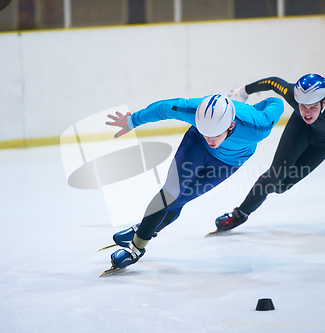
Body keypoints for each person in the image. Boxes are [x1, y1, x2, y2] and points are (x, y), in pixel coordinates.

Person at [104, 94, 284, 271]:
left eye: (215, 134)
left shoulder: (258, 125)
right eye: (206, 132)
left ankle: (144, 228)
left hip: (228, 162)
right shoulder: (194, 110)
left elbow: (275, 102)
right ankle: (136, 248)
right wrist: (132, 121)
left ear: (231, 125)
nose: (210, 140)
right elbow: (162, 108)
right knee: (170, 193)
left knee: (179, 201)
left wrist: (251, 106)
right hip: (196, 145)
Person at [214, 74, 325, 231]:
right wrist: (244, 91)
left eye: (312, 107)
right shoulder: (294, 96)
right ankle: (239, 215)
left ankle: (266, 190)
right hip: (300, 129)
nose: (307, 112)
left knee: (281, 187)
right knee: (275, 175)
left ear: (324, 102)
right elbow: (273, 82)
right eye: (303, 106)